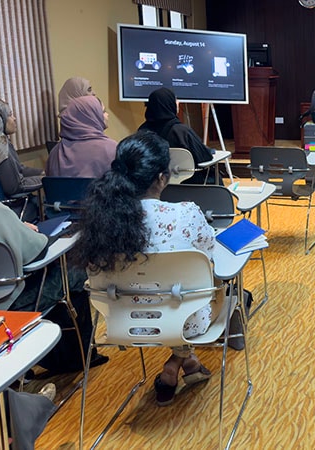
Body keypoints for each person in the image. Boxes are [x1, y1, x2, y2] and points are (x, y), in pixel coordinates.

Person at [72, 130, 218, 406]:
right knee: (208, 287)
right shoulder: (186, 213)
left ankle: (182, 365)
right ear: (162, 178)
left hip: (126, 322)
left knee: (170, 292)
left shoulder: (100, 223)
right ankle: (178, 362)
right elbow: (210, 256)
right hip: (187, 319)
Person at [0, 188, 106, 373]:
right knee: (73, 272)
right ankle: (78, 358)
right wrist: (19, 229)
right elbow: (35, 249)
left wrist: (16, 227)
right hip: (5, 306)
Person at [139, 87, 213, 185]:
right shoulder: (181, 132)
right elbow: (205, 157)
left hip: (153, 186)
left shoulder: (141, 132)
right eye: (176, 100)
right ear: (169, 104)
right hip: (188, 185)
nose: (178, 103)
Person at [0, 97, 44, 200]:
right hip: (11, 209)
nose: (14, 118)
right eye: (9, 115)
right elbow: (15, 187)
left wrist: (42, 172)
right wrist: (45, 179)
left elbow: (18, 170)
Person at [46, 95, 117, 178]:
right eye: (103, 111)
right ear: (91, 116)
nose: (107, 115)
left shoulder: (55, 152)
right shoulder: (112, 149)